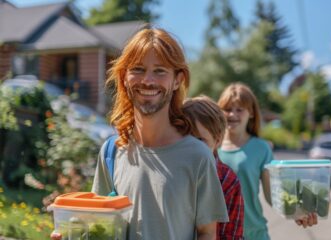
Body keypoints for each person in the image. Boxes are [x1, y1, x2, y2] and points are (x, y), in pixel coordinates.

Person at [52, 26, 229, 240]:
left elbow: (207, 234)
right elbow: (100, 229)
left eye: (160, 71)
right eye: (137, 69)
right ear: (124, 77)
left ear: (177, 80)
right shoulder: (110, 153)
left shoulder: (198, 156)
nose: (148, 80)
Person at [216, 83, 317, 240]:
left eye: (239, 109)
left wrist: (296, 212)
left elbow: (273, 195)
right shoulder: (210, 147)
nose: (232, 114)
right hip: (218, 234)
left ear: (251, 113)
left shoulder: (261, 148)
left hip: (254, 234)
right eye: (227, 109)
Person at [182, 95, 245, 240]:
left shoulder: (227, 180)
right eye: (184, 138)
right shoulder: (171, 169)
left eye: (200, 140)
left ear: (217, 141)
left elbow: (231, 235)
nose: (191, 146)